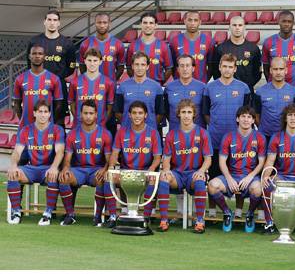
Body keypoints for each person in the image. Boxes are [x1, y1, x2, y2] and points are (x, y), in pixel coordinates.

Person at [6, 100, 67, 225]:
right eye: (40, 111)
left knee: (53, 175)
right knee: (13, 174)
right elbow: (17, 151)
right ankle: (16, 212)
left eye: (45, 112)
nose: (43, 115)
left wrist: (54, 167)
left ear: (49, 114)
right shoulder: (25, 130)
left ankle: (48, 214)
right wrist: (13, 166)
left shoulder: (57, 130)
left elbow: (60, 152)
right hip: (31, 168)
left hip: (48, 168)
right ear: (34, 113)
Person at [105, 101, 164, 230]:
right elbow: (115, 154)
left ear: (146, 115)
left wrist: (151, 170)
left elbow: (157, 158)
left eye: (140, 113)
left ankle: (146, 217)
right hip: (126, 171)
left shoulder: (153, 133)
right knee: (108, 178)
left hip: (145, 171)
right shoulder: (122, 132)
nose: (137, 116)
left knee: (153, 179)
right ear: (129, 115)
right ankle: (114, 216)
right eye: (134, 113)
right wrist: (111, 167)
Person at [207, 106, 266, 233]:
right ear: (237, 119)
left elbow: (261, 163)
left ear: (253, 120)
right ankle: (227, 212)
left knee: (258, 189)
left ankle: (250, 214)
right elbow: (222, 161)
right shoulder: (228, 137)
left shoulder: (260, 137)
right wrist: (229, 178)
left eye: (249, 117)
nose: (246, 119)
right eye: (243, 116)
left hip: (250, 177)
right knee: (212, 186)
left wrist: (250, 177)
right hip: (232, 175)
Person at [261, 103, 295, 234]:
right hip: (281, 176)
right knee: (266, 185)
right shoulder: (277, 137)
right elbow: (270, 161)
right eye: (290, 115)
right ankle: (269, 223)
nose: (292, 118)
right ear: (285, 118)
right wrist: (265, 176)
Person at [202, 53, 251, 198]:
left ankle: (238, 209)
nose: (227, 70)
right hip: (216, 140)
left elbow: (247, 113)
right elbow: (206, 114)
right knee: (214, 176)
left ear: (235, 69)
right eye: (224, 66)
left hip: (238, 142)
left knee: (239, 176)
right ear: (219, 67)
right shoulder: (209, 87)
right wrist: (216, 125)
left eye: (230, 67)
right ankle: (212, 209)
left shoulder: (243, 88)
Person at [160, 99, 212, 234]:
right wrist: (166, 170)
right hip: (177, 174)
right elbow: (166, 158)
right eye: (183, 112)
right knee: (164, 178)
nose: (186, 115)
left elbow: (208, 159)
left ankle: (200, 221)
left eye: (189, 112)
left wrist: (201, 171)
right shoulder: (171, 134)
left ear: (194, 114)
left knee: (200, 181)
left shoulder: (203, 133)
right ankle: (164, 220)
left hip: (194, 173)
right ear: (179, 114)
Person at [59, 100, 112, 226]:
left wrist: (105, 169)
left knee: (103, 178)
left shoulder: (105, 134)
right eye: (85, 113)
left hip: (96, 170)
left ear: (96, 115)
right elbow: (67, 159)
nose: (88, 116)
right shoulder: (72, 134)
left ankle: (97, 217)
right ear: (80, 114)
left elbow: (109, 160)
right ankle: (70, 215)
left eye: (91, 113)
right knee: (64, 178)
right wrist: (65, 168)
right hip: (79, 170)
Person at [26, 9, 76, 125]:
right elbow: (30, 64)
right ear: (44, 22)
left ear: (59, 23)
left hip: (59, 87)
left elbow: (71, 67)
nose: (52, 23)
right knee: (38, 120)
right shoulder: (34, 41)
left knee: (59, 122)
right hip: (38, 86)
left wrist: (57, 77)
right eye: (49, 20)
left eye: (55, 20)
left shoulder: (67, 43)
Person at [253, 57, 295, 143]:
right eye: (275, 69)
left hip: (287, 138)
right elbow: (256, 115)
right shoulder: (260, 92)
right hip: (266, 137)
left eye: (281, 69)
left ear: (286, 70)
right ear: (270, 70)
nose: (278, 72)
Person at [13, 45, 64, 129]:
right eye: (34, 53)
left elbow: (58, 105)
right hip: (26, 127)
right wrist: (24, 120)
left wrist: (49, 120)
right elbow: (17, 104)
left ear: (44, 57)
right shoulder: (20, 79)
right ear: (29, 56)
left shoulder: (54, 79)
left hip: (47, 128)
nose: (37, 56)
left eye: (40, 54)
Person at [115, 52, 165, 131]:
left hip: (149, 132)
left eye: (143, 65)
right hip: (127, 132)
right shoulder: (122, 87)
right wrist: (127, 124)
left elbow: (160, 113)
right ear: (132, 66)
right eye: (137, 64)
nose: (139, 68)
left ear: (147, 66)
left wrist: (150, 125)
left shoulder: (156, 87)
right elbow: (118, 112)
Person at [261, 10, 295, 91]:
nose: (286, 24)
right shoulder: (268, 42)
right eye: (284, 21)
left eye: (289, 21)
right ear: (278, 22)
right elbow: (266, 68)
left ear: (293, 23)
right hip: (274, 89)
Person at [211, 16, 261, 93]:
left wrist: (247, 86)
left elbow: (257, 73)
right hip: (226, 90)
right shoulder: (220, 48)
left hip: (246, 91)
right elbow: (215, 72)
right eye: (234, 25)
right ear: (229, 27)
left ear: (244, 27)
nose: (237, 28)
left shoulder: (254, 49)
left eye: (240, 25)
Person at [68, 48, 115, 129]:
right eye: (89, 60)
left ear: (100, 62)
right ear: (85, 61)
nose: (92, 64)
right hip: (79, 127)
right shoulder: (75, 82)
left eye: (95, 60)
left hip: (100, 127)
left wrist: (103, 122)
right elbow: (72, 103)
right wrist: (78, 119)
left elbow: (109, 107)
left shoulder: (108, 82)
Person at [126, 12, 173, 85]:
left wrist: (159, 83)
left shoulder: (163, 46)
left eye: (151, 23)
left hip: (156, 86)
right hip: (137, 86)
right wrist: (137, 81)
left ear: (155, 25)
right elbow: (129, 67)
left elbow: (169, 68)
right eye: (145, 23)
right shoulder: (132, 45)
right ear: (141, 24)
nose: (148, 25)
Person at [78, 12, 126, 82]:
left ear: (109, 24)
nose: (102, 25)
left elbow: (120, 68)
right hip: (91, 86)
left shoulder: (118, 44)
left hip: (110, 86)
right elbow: (82, 67)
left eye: (105, 22)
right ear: (95, 23)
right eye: (99, 22)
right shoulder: (85, 44)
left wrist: (111, 82)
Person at [169, 10, 213, 83]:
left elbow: (211, 67)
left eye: (195, 20)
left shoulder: (208, 41)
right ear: (185, 21)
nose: (192, 23)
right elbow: (172, 66)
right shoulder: (175, 40)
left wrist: (203, 82)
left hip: (201, 85)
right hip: (180, 85)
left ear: (200, 22)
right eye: (190, 20)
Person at [164, 54, 206, 131]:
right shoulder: (169, 87)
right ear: (177, 69)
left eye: (188, 65)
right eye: (182, 66)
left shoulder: (203, 87)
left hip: (197, 133)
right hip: (175, 132)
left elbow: (206, 112)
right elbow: (166, 110)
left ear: (193, 68)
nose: (185, 69)